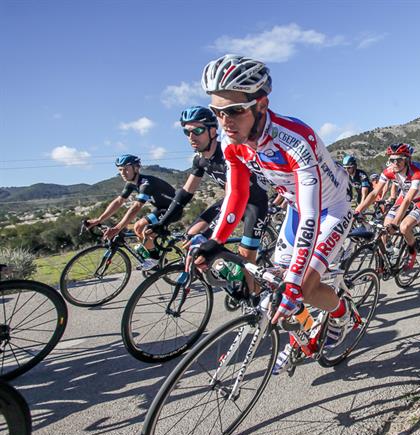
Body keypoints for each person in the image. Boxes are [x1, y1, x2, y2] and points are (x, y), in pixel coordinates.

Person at [196, 55, 354, 371]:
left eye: (233, 111)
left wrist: (296, 281)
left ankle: (343, 314)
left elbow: (312, 213)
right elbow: (237, 194)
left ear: (261, 105)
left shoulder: (295, 139)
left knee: (303, 287)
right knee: (276, 284)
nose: (224, 122)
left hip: (329, 210)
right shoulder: (232, 142)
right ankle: (303, 336)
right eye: (217, 113)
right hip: (299, 209)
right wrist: (215, 241)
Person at [149, 105, 270, 292]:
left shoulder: (227, 152)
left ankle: (255, 298)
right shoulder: (200, 159)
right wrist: (162, 222)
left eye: (197, 130)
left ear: (213, 131)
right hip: (230, 202)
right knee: (192, 234)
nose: (191, 137)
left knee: (246, 259)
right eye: (187, 132)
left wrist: (212, 237)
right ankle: (226, 271)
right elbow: (185, 193)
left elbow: (234, 194)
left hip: (253, 203)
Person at [86, 155, 176, 270]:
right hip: (161, 208)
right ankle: (159, 257)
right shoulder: (131, 184)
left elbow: (136, 206)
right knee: (140, 232)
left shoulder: (145, 183)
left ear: (136, 168)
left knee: (139, 227)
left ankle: (155, 259)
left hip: (172, 210)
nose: (123, 172)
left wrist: (117, 228)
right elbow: (119, 201)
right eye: (120, 170)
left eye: (126, 169)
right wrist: (99, 219)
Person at [355, 143, 420, 268]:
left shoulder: (416, 173)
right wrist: (358, 210)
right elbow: (374, 193)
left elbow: (408, 199)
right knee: (385, 228)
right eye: (392, 160)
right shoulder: (389, 171)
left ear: (406, 160)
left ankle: (412, 252)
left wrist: (395, 223)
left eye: (399, 160)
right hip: (404, 197)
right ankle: (388, 256)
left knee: (404, 227)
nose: (395, 163)